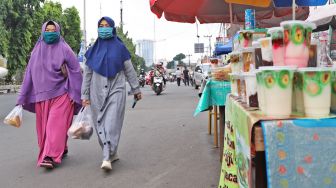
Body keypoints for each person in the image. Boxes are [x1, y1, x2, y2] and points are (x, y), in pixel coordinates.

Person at [17, 21, 83, 169]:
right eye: (47, 30)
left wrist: (77, 94)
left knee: (55, 125)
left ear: (58, 32)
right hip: (42, 96)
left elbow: (76, 70)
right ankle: (61, 147)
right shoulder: (36, 51)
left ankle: (50, 156)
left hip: (62, 93)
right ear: (43, 31)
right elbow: (29, 74)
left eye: (54, 30)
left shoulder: (64, 49)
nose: (51, 32)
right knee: (44, 129)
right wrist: (22, 97)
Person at [82, 17, 142, 171]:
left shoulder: (120, 48)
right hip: (96, 92)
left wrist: (136, 89)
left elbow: (129, 70)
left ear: (112, 28)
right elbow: (87, 75)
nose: (103, 28)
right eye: (100, 26)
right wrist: (85, 95)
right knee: (99, 123)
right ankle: (111, 152)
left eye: (106, 25)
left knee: (111, 123)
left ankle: (106, 157)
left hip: (116, 88)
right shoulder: (92, 50)